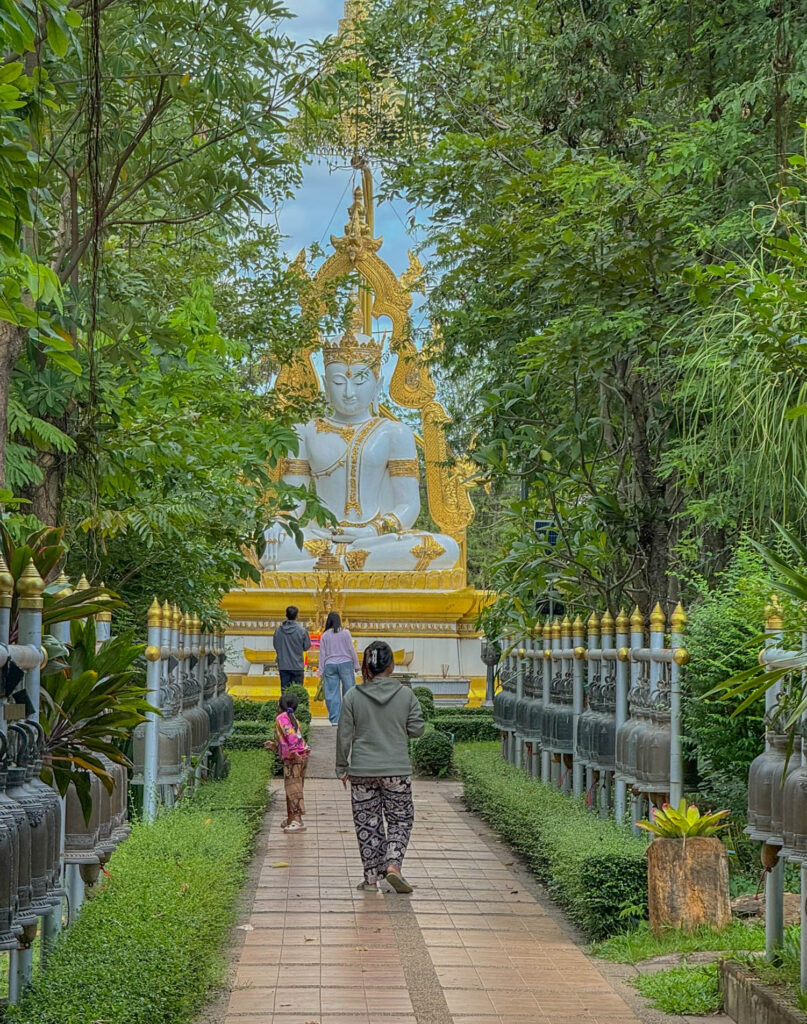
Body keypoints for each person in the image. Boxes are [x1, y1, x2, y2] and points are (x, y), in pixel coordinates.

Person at [335, 640, 425, 893]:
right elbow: (417, 729)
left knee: (368, 823)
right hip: (396, 769)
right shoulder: (406, 695)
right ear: (392, 666)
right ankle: (393, 865)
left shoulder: (353, 695)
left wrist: (342, 766)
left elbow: (344, 734)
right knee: (400, 819)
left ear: (367, 666)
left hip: (362, 770)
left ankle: (371, 879)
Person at [265, 692, 310, 833]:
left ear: (279, 705)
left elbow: (290, 736)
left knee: (293, 789)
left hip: (294, 758)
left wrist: (294, 752)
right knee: (293, 787)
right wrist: (274, 745)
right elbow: (288, 737)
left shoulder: (282, 718)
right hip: (301, 755)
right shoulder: (291, 718)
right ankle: (291, 818)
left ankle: (298, 820)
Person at [319, 611, 359, 725]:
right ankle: (348, 719)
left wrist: (321, 670)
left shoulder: (325, 635)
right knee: (349, 691)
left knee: (332, 693)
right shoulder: (346, 633)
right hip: (346, 663)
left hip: (330, 664)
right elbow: (351, 649)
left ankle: (335, 719)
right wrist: (356, 665)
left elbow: (322, 654)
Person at [272, 605, 311, 691]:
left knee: (285, 692)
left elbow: (275, 645)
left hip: (283, 665)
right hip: (297, 666)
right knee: (297, 693)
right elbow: (306, 646)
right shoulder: (302, 631)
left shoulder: (278, 631)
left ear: (286, 615)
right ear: (297, 616)